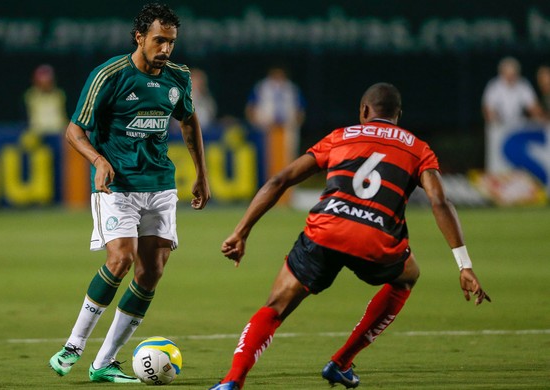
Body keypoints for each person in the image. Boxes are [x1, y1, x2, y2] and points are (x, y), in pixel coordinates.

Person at [210, 83, 490, 390]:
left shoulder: (341, 136)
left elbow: (281, 179)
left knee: (276, 306)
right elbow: (440, 201)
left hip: (325, 231)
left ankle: (233, 380)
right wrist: (463, 264)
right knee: (408, 275)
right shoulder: (417, 148)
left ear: (365, 111)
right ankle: (341, 362)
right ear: (398, 115)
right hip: (376, 241)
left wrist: (241, 231)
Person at [48, 3, 210, 383]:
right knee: (121, 259)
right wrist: (98, 161)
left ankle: (104, 361)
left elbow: (188, 121)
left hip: (160, 186)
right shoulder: (109, 75)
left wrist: (201, 173)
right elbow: (74, 130)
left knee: (151, 270)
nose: (166, 49)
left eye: (171, 42)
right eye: (159, 40)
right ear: (139, 37)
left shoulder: (178, 77)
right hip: (117, 185)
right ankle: (73, 345)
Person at [246, 66, 305, 185]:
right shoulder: (261, 87)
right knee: (265, 160)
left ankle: (288, 189)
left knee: (288, 158)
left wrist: (295, 125)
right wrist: (256, 124)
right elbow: (251, 108)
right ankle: (263, 186)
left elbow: (300, 109)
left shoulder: (291, 89)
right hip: (266, 129)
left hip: (287, 129)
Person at [481, 57, 545, 126]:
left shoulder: (523, 84)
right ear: (501, 73)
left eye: (513, 74)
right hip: (498, 123)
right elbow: (487, 109)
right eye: (507, 74)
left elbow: (533, 107)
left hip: (518, 122)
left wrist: (542, 118)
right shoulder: (493, 86)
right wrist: (496, 122)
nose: (510, 77)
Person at [23, 64, 69, 135]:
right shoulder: (31, 95)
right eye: (42, 80)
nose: (45, 83)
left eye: (48, 80)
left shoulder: (59, 94)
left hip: (59, 133)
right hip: (38, 134)